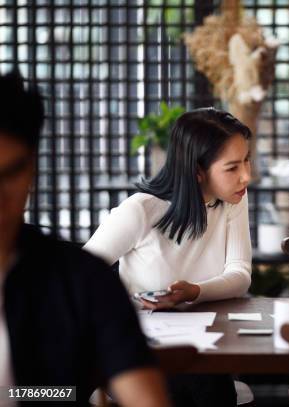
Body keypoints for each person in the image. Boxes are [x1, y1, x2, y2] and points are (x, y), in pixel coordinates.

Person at [0, 71, 170, 406]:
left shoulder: (81, 280)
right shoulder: (139, 210)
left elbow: (143, 395)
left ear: (31, 168)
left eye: (9, 174)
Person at [84, 107, 253, 406]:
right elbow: (79, 278)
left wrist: (194, 292)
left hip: (205, 350)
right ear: (197, 170)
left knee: (207, 380)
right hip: (140, 356)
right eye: (232, 167)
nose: (246, 176)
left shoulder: (232, 202)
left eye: (247, 161)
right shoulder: (141, 210)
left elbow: (240, 274)